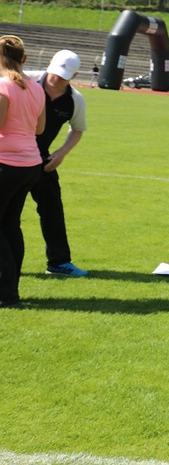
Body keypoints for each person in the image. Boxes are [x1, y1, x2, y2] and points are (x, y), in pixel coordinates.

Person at [24, 49, 90, 277]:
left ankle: (59, 262)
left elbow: (78, 129)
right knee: (7, 213)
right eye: (55, 73)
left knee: (53, 210)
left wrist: (61, 153)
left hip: (43, 160)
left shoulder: (75, 100)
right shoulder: (25, 81)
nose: (57, 79)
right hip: (12, 157)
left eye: (64, 76)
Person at [0, 35, 47, 308]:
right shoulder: (36, 87)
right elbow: (39, 129)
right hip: (30, 164)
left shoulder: (4, 86)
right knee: (10, 225)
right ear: (24, 59)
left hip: (7, 162)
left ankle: (7, 291)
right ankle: (10, 290)